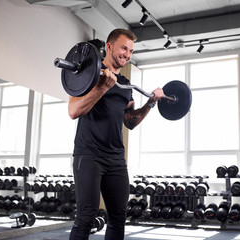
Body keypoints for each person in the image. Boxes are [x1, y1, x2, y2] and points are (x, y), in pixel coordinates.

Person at [68, 28, 165, 240]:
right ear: (109, 47)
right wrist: (101, 88)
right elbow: (73, 111)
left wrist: (150, 103)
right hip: (89, 155)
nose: (127, 55)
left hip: (115, 160)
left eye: (130, 51)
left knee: (119, 217)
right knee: (86, 217)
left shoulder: (126, 85)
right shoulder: (89, 73)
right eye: (124, 48)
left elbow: (129, 121)